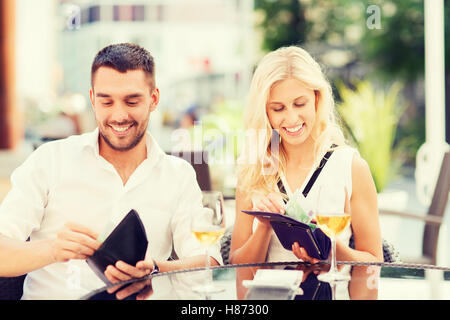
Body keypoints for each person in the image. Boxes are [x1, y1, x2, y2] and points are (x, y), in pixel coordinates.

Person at [0, 43, 222, 300]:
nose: (119, 115)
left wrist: (158, 270)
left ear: (154, 99)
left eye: (132, 100)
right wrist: (52, 249)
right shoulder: (50, 160)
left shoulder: (178, 174)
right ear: (93, 99)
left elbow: (209, 261)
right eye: (106, 101)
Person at [229, 46, 383, 299]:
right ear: (265, 112)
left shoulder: (350, 166)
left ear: (317, 99)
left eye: (300, 104)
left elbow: (372, 264)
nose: (291, 118)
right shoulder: (253, 168)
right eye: (278, 108)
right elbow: (240, 266)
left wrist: (330, 250)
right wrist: (266, 227)